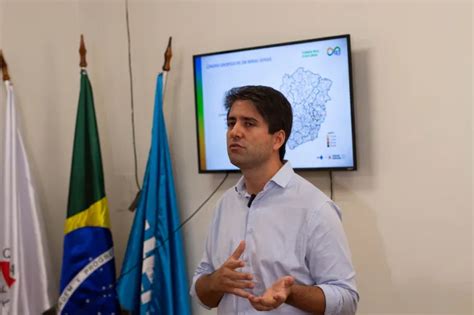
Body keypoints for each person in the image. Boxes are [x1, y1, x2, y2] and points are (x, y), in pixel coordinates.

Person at [190, 86, 359, 314]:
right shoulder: (225, 204)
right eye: (231, 123)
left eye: (248, 123)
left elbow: (346, 299)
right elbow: (203, 294)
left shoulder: (315, 208)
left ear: (277, 139)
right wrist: (215, 282)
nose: (235, 132)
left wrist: (292, 293)